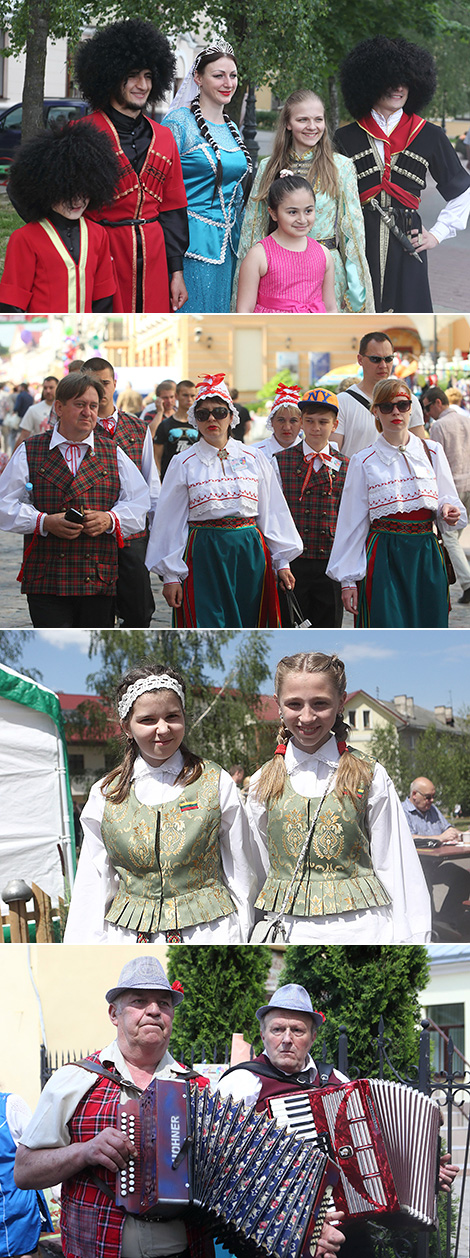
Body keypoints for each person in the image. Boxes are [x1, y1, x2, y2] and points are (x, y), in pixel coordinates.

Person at [14, 956, 210, 1258]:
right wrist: (84, 1151)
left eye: (164, 1003)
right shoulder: (75, 1079)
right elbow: (24, 1171)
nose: (154, 1010)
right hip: (98, 1248)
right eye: (139, 1001)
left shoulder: (197, 1088)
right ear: (113, 1013)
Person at [246, 650, 431, 943]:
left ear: (341, 701)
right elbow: (254, 871)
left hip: (364, 930)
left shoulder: (369, 774)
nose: (307, 717)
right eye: (294, 704)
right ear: (278, 704)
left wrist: (413, 936)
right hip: (289, 931)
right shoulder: (262, 781)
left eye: (320, 703)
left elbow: (394, 863)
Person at [64, 664, 254, 943]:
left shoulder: (216, 782)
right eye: (148, 720)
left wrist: (244, 933)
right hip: (128, 937)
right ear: (126, 727)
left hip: (209, 932)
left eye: (172, 716)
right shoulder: (105, 794)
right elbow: (94, 882)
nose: (163, 729)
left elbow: (242, 869)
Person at [146, 372, 302, 627]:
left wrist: (281, 561)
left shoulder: (254, 457)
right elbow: (169, 521)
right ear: (194, 420)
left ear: (231, 416)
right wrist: (172, 576)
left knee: (250, 621)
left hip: (250, 553)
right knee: (209, 621)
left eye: (219, 412)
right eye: (203, 414)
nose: (211, 419)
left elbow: (272, 511)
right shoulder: (183, 462)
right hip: (204, 552)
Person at [0, 372, 150, 628]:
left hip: (98, 577)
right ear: (59, 407)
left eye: (93, 406)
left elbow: (139, 504)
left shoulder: (113, 452)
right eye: (80, 405)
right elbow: (4, 505)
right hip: (46, 576)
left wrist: (110, 519)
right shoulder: (31, 449)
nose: (88, 413)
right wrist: (43, 522)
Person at [335, 36, 470, 313]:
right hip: (359, 243)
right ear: (370, 82)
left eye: (405, 81)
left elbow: (462, 191)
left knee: (408, 326)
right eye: (390, 80)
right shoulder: (345, 137)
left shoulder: (430, 135)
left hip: (408, 243)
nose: (398, 88)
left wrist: (437, 234)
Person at [218, 985, 347, 1258]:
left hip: (343, 1227)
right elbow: (223, 1169)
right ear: (263, 1034)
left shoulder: (337, 1082)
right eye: (277, 1030)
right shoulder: (241, 1083)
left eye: (297, 1031)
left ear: (312, 1037)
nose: (286, 1039)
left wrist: (426, 1170)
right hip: (272, 1229)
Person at [327, 378, 466, 627]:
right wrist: (348, 581)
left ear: (411, 407)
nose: (395, 412)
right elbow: (351, 522)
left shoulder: (432, 451)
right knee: (385, 622)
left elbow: (447, 496)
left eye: (402, 405)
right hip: (384, 555)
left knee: (430, 624)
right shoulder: (363, 460)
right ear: (376, 412)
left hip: (426, 552)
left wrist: (448, 509)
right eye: (386, 406)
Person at [74, 19, 189, 314]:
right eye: (132, 76)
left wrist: (176, 271)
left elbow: (173, 210)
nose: (143, 85)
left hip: (155, 257)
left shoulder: (164, 137)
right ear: (110, 76)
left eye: (149, 76)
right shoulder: (82, 133)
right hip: (102, 254)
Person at [232, 89, 374, 313]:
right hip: (279, 275)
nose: (312, 126)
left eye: (318, 119)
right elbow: (253, 231)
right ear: (288, 123)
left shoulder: (342, 167)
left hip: (326, 274)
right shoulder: (268, 167)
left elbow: (353, 236)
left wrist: (357, 295)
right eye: (302, 119)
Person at [162, 41, 252, 312]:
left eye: (233, 75)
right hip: (191, 248)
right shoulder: (179, 123)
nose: (228, 83)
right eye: (218, 75)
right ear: (198, 78)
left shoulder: (232, 126)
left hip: (229, 248)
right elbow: (162, 190)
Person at [0, 121, 120, 313]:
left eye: (84, 192)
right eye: (67, 193)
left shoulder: (99, 235)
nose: (77, 201)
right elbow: (12, 303)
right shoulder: (24, 239)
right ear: (48, 189)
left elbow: (103, 298)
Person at [83, 356, 160, 628]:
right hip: (92, 535)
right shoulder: (79, 428)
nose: (99, 390)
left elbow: (152, 483)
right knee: (98, 614)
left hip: (132, 534)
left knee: (140, 612)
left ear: (114, 383)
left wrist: (156, 533)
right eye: (92, 384)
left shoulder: (138, 428)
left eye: (104, 383)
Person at [274, 388, 348, 627]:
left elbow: (350, 516)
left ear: (335, 425)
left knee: (330, 623)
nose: (316, 428)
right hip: (294, 560)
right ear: (302, 423)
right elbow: (274, 513)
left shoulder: (347, 465)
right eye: (310, 421)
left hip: (331, 560)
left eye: (323, 422)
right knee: (290, 622)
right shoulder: (280, 461)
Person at [237, 174, 337, 313]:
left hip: (314, 331)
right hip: (272, 331)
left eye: (308, 211)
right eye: (292, 212)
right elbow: (244, 311)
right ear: (273, 213)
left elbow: (331, 308)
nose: (302, 219)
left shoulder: (323, 254)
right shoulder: (259, 255)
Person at [335, 330, 425, 459]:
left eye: (388, 359)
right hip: (357, 477)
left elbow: (419, 450)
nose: (383, 365)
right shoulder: (341, 402)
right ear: (360, 359)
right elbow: (334, 455)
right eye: (375, 359)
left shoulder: (408, 400)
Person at [402, 777, 470, 935]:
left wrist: (462, 835)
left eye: (433, 797)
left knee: (463, 877)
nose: (431, 801)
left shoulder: (432, 809)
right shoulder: (401, 811)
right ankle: (428, 925)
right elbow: (408, 838)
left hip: (435, 864)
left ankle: (445, 920)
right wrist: (438, 838)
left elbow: (448, 830)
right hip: (414, 867)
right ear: (414, 795)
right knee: (424, 882)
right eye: (428, 797)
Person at [427, 388, 470, 603]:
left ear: (437, 403)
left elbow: (434, 464)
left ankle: (468, 582)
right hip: (469, 481)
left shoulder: (439, 426)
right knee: (455, 538)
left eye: (427, 407)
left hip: (452, 487)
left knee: (450, 539)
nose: (427, 413)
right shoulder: (466, 420)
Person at [0, 1088, 53, 1257]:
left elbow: (38, 1146)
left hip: (15, 1200)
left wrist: (56, 1185)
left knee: (24, 1251)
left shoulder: (10, 1105)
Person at [152, 380, 198, 480]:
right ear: (177, 396)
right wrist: (158, 478)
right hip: (170, 477)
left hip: (195, 477)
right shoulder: (165, 424)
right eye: (185, 395)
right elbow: (156, 456)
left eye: (192, 396)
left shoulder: (200, 424)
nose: (189, 399)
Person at [254, 382, 303, 461]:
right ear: (272, 421)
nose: (287, 427)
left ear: (301, 423)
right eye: (281, 420)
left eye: (293, 421)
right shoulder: (255, 453)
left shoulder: (310, 454)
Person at [13, 375, 58, 448]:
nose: (48, 391)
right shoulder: (33, 409)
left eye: (51, 387)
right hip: (38, 451)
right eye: (45, 388)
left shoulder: (64, 410)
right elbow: (23, 435)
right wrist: (14, 457)